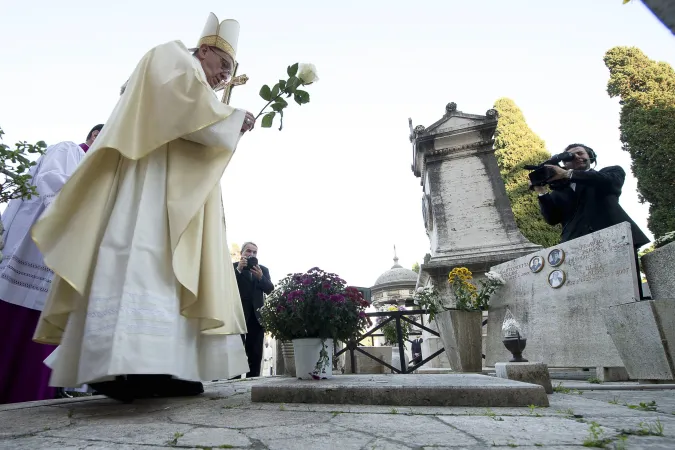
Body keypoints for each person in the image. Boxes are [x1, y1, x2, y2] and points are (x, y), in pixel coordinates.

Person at [30, 12, 256, 403]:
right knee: (142, 258)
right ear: (203, 49)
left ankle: (166, 366)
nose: (223, 77)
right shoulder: (170, 57)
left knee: (168, 272)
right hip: (149, 184)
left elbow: (197, 123)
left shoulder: (194, 79)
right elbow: (181, 108)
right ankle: (123, 367)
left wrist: (229, 124)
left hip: (175, 190)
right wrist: (231, 118)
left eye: (228, 71)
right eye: (222, 65)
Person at [0, 126, 100, 404]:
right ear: (94, 136)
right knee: (16, 329)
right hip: (37, 254)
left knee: (44, 333)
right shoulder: (68, 150)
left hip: (66, 260)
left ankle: (28, 399)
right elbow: (51, 185)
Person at [531, 143, 650, 298]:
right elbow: (552, 219)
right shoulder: (559, 192)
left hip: (615, 240)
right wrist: (541, 191)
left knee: (627, 294)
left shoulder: (610, 173)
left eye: (581, 153)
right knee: (587, 297)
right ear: (564, 164)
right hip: (575, 246)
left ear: (590, 156)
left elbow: (609, 182)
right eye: (570, 157)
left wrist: (568, 174)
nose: (577, 157)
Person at [234, 242, 274, 377]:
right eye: (248, 251)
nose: (251, 254)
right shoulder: (233, 268)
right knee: (236, 350)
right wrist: (238, 270)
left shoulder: (263, 270)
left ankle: (253, 381)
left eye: (254, 252)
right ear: (242, 253)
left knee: (255, 352)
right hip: (238, 315)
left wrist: (260, 277)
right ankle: (234, 381)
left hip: (257, 316)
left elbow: (270, 289)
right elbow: (227, 287)